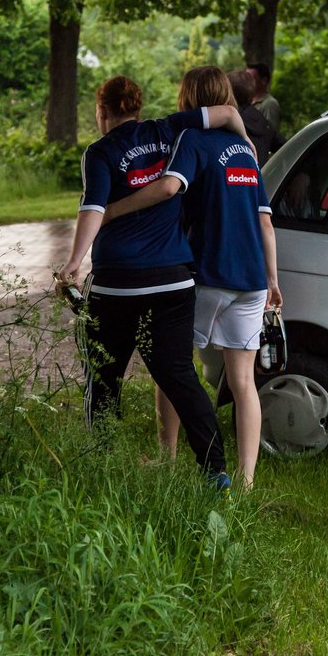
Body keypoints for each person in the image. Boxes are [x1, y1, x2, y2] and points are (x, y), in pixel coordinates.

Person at [59, 75, 249, 486]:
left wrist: (74, 262)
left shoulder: (100, 151)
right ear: (138, 108)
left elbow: (93, 209)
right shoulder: (169, 129)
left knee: (105, 377)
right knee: (180, 376)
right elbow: (229, 112)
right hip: (173, 282)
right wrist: (246, 145)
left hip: (116, 286)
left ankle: (102, 463)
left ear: (102, 110)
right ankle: (215, 469)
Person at [105, 66, 282, 491]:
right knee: (243, 381)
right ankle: (246, 481)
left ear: (188, 98)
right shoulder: (245, 151)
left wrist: (108, 212)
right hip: (253, 279)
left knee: (173, 366)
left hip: (206, 271)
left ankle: (167, 456)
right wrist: (274, 280)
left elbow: (168, 189)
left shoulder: (192, 140)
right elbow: (266, 223)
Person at [229, 69, 284, 164]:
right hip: (260, 176)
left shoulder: (227, 122)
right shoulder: (263, 122)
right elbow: (285, 147)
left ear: (228, 92)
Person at [248, 62, 281, 133]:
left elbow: (271, 133)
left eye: (250, 78)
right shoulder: (247, 101)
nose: (246, 81)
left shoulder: (270, 104)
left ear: (264, 80)